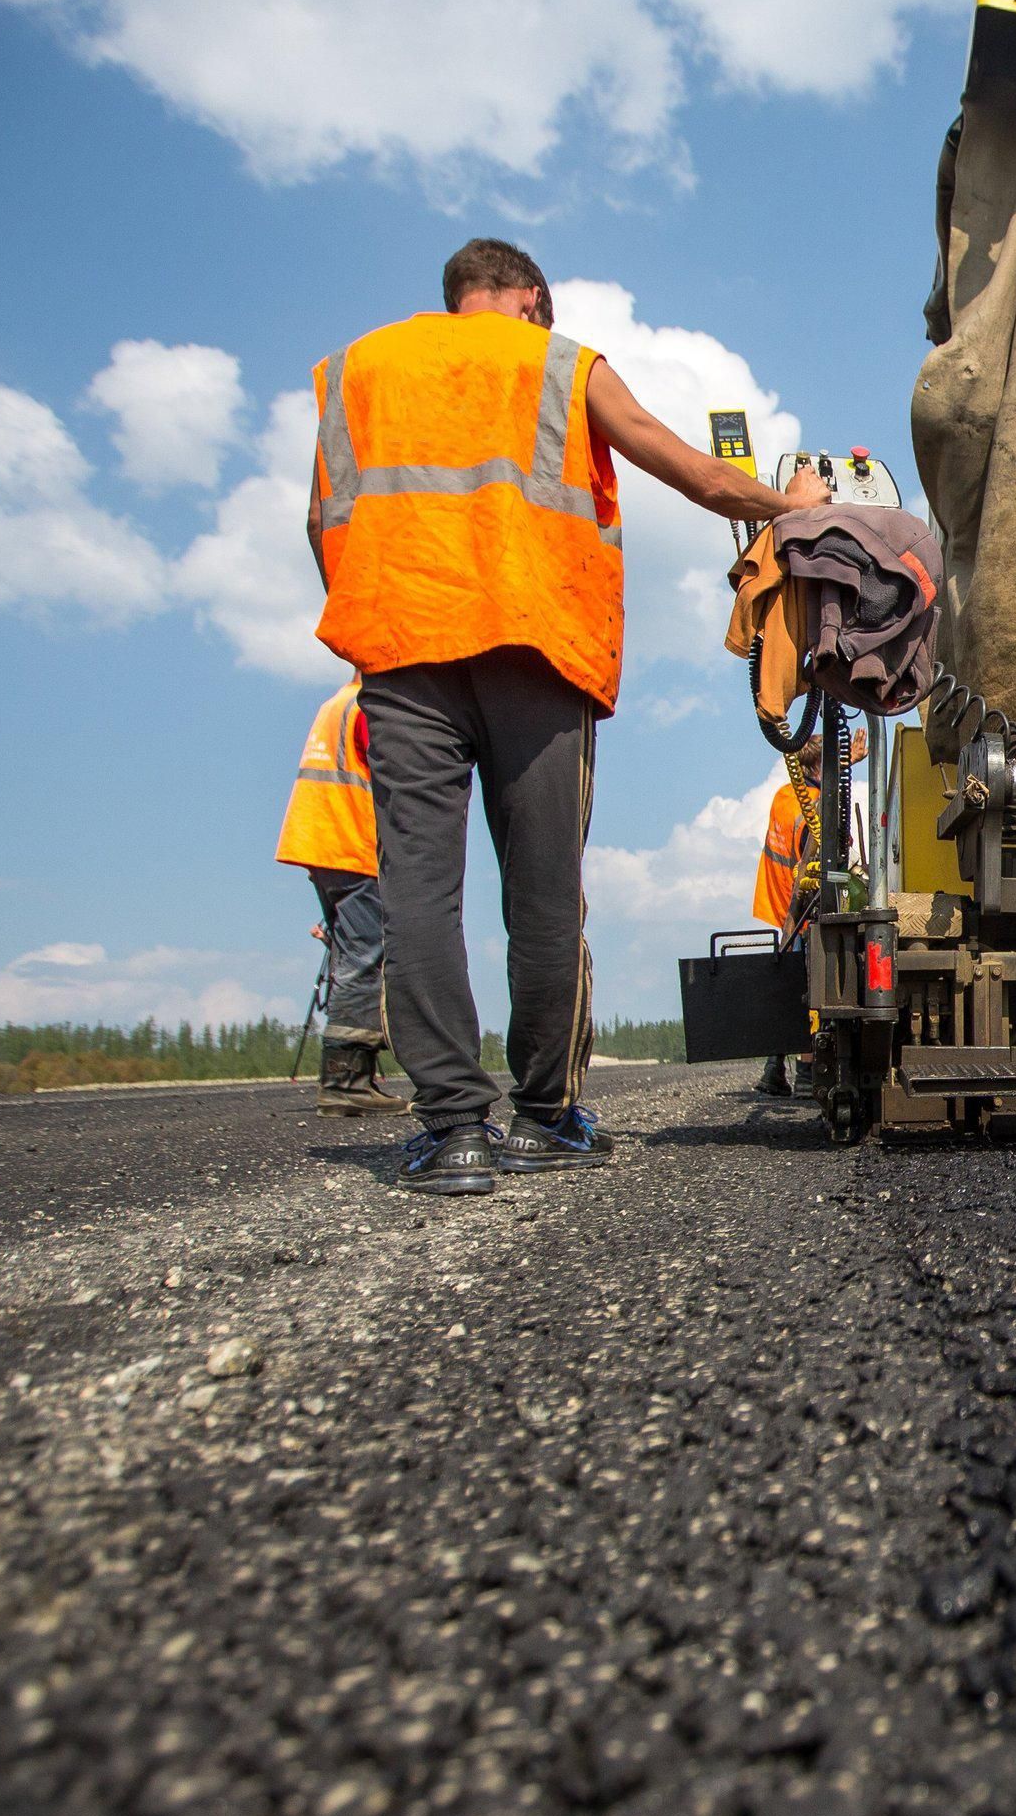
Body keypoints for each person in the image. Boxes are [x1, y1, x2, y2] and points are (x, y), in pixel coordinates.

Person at [309, 237, 826, 1196]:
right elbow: (695, 475)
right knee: (543, 897)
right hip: (536, 655)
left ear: (457, 294)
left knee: (420, 892)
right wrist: (791, 506)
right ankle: (543, 1117)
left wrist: (385, 618)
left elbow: (320, 524)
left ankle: (452, 1132)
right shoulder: (558, 362)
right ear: (531, 298)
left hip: (402, 652)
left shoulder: (354, 369)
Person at [273, 672, 405, 1114]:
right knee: (367, 954)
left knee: (351, 953)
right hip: (351, 844)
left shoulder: (336, 703)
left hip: (322, 845)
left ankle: (348, 1078)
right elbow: (398, 779)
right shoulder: (369, 707)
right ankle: (347, 1082)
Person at [748, 731, 868, 1098]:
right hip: (800, 911)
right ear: (817, 765)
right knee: (811, 990)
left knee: (785, 986)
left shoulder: (783, 797)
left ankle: (773, 1070)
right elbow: (812, 863)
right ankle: (804, 1072)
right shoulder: (814, 806)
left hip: (777, 905)